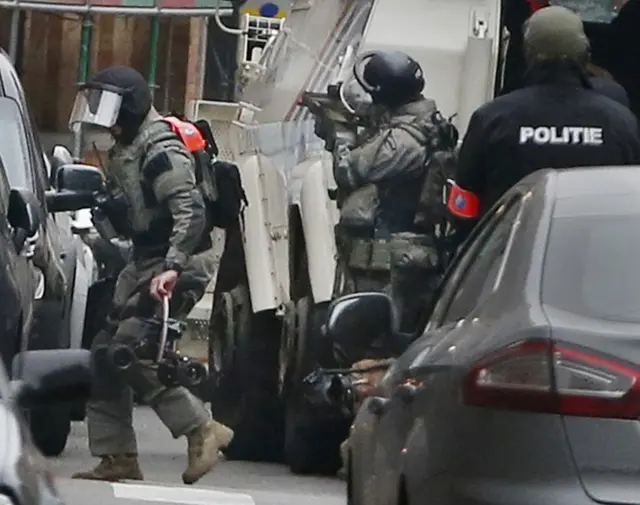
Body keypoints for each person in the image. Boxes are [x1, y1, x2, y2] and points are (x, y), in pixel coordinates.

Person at [67, 66, 233, 484]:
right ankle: (117, 455)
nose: (100, 115)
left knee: (133, 349)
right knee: (107, 353)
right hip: (146, 260)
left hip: (177, 261)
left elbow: (190, 212)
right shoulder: (131, 145)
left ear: (131, 104)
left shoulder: (160, 147)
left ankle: (202, 429)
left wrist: (174, 266)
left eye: (108, 104)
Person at [448, 6, 640, 239]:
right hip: (594, 259)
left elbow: (464, 209)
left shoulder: (491, 119)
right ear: (584, 53)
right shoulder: (620, 123)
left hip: (507, 260)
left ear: (528, 53)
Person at [315, 50, 457, 337]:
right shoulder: (421, 127)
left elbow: (350, 171)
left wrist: (340, 135)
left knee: (371, 339)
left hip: (392, 259)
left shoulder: (405, 139)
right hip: (399, 256)